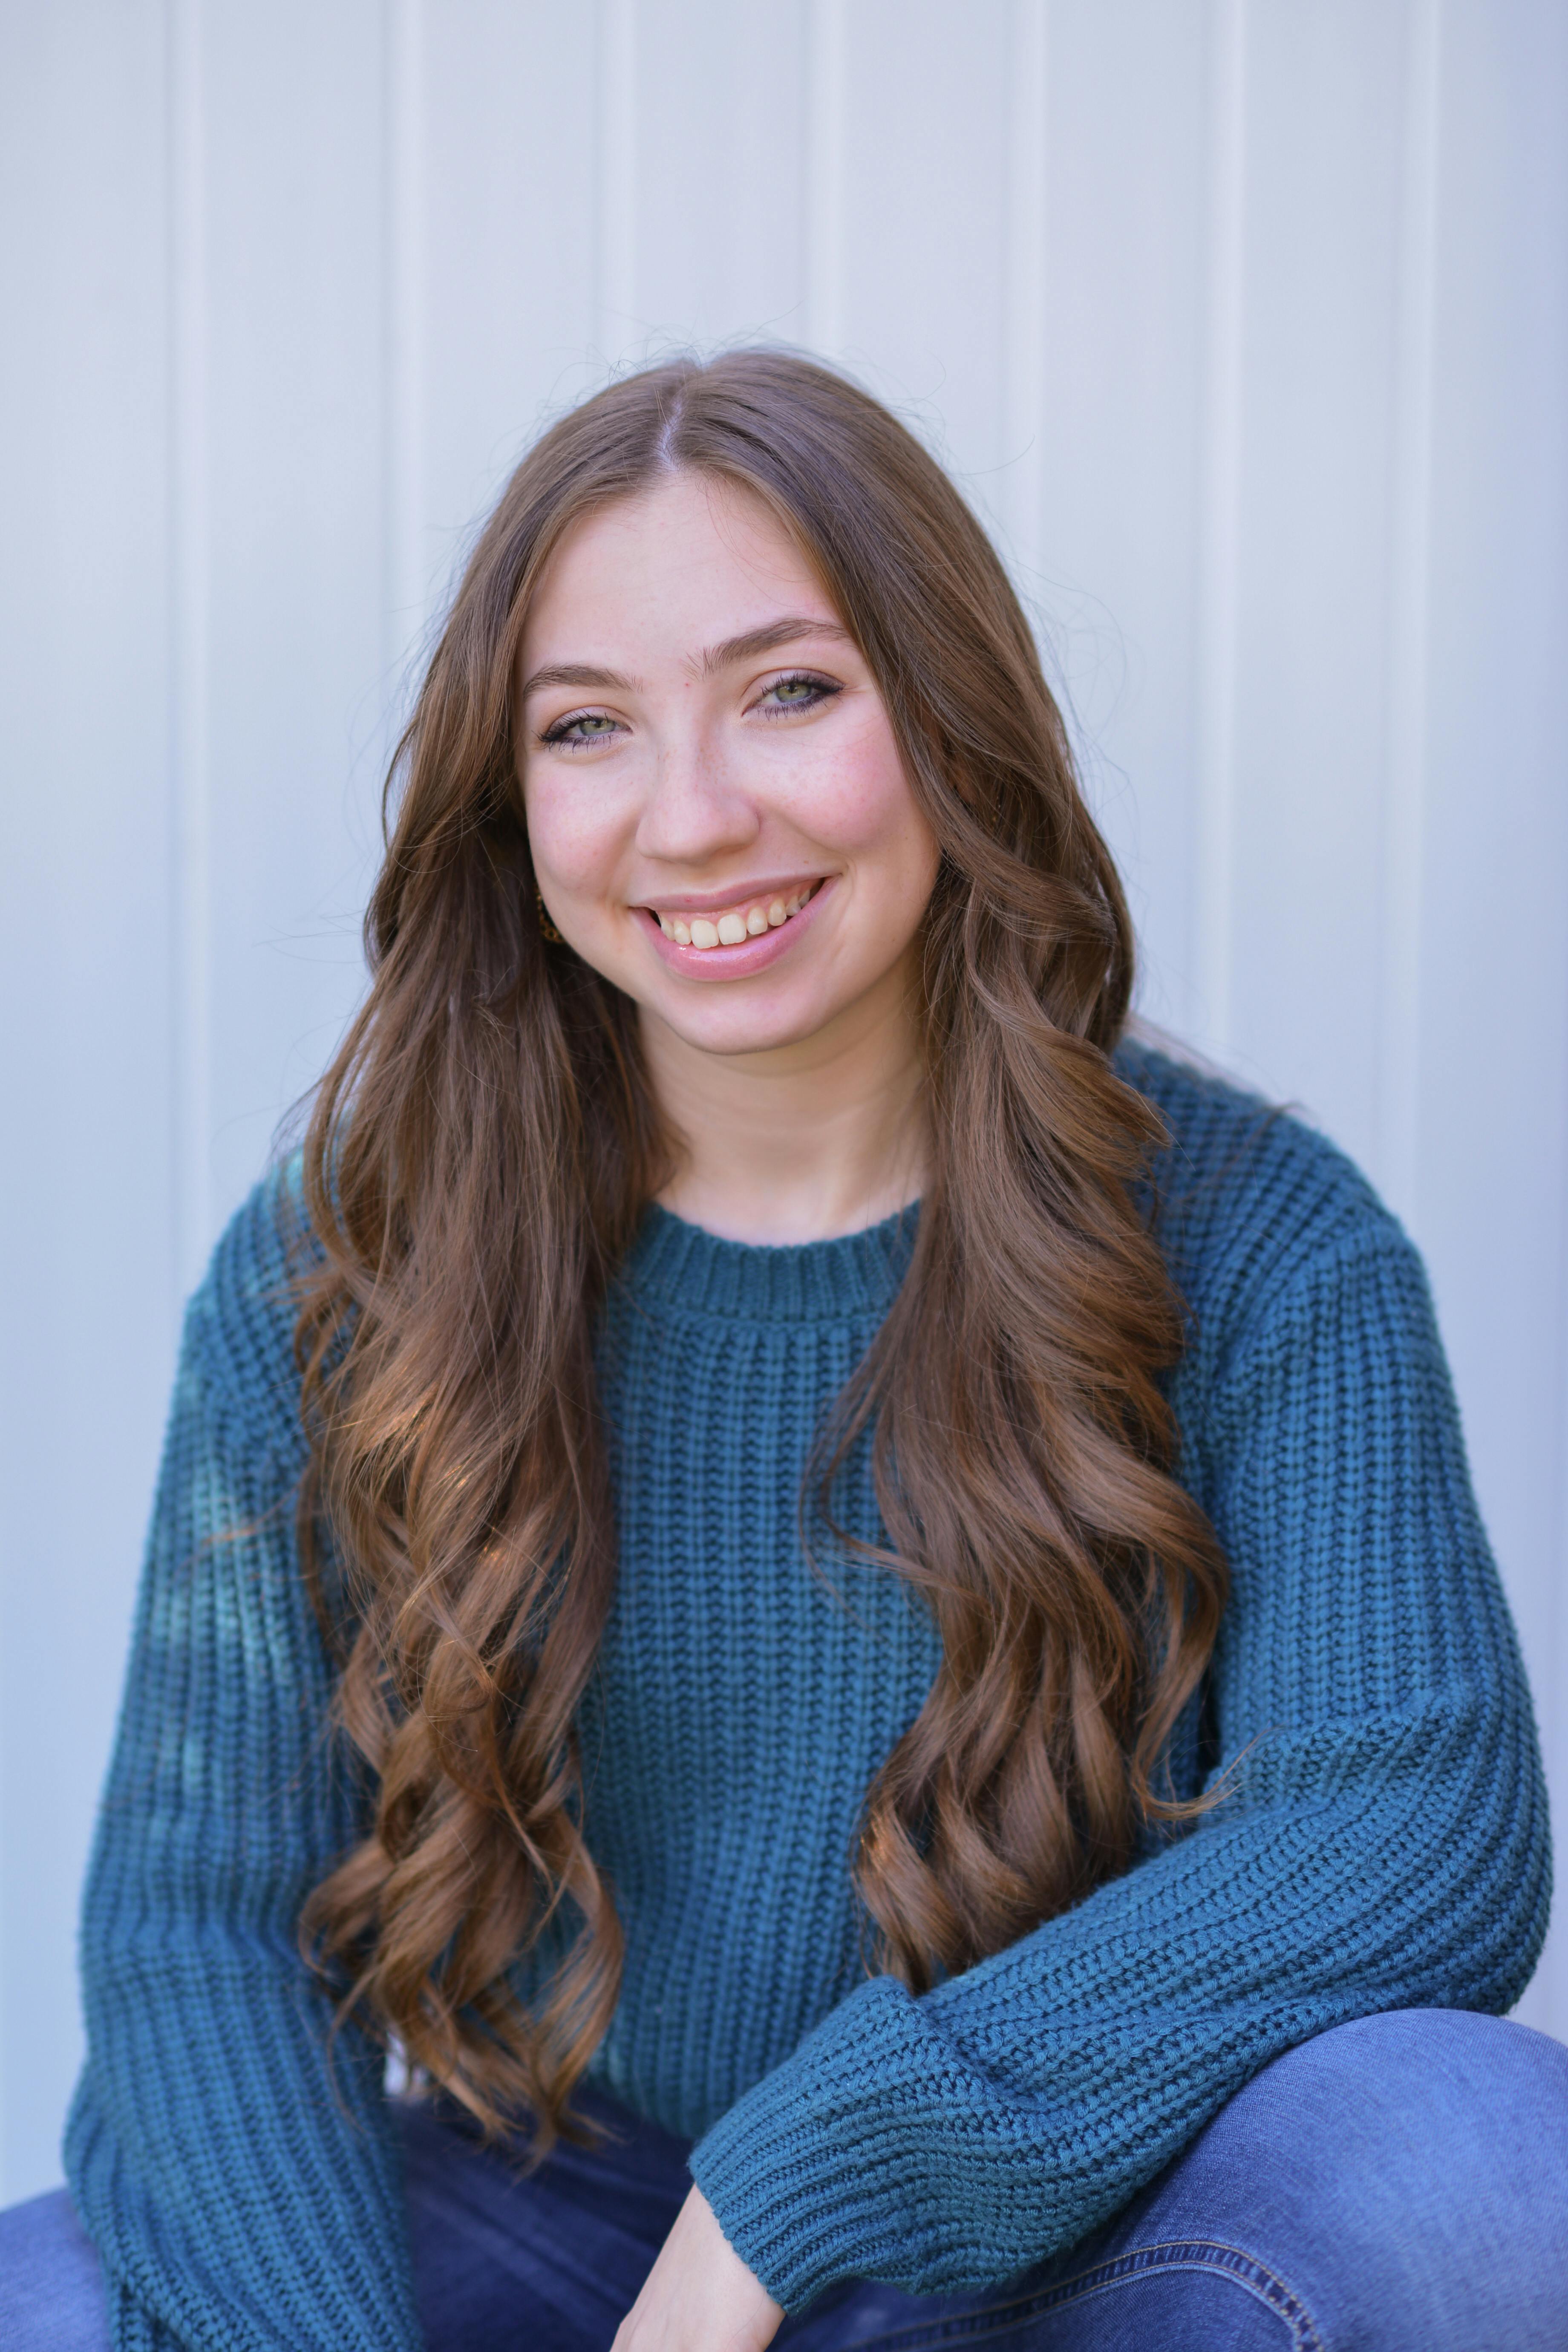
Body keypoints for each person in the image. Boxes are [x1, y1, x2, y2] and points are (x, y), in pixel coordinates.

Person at [3, 351, 1564, 2352]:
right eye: (589, 729)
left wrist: (780, 2198)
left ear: (944, 717)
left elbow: (1411, 1829)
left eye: (790, 692)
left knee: (1489, 2173)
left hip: (1074, 2219)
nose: (695, 817)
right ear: (511, 798)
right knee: (57, 2299)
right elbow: (200, 1926)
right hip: (561, 2211)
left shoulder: (1264, 1248)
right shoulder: (345, 1270)